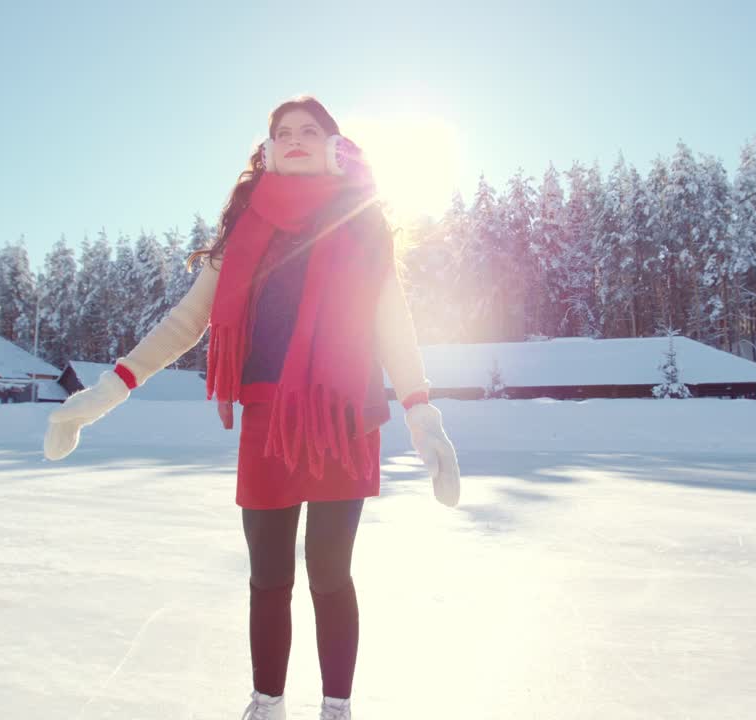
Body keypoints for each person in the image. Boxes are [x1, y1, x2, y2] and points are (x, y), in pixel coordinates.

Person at [41, 95, 461, 720]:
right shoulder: (245, 233)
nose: (293, 138)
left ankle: (336, 706)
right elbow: (187, 322)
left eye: (308, 130)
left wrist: (422, 411)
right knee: (268, 576)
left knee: (328, 575)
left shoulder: (362, 226)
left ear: (333, 145)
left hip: (341, 417)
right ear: (266, 151)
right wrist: (110, 389)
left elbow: (392, 325)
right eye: (281, 132)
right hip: (267, 419)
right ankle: (267, 702)